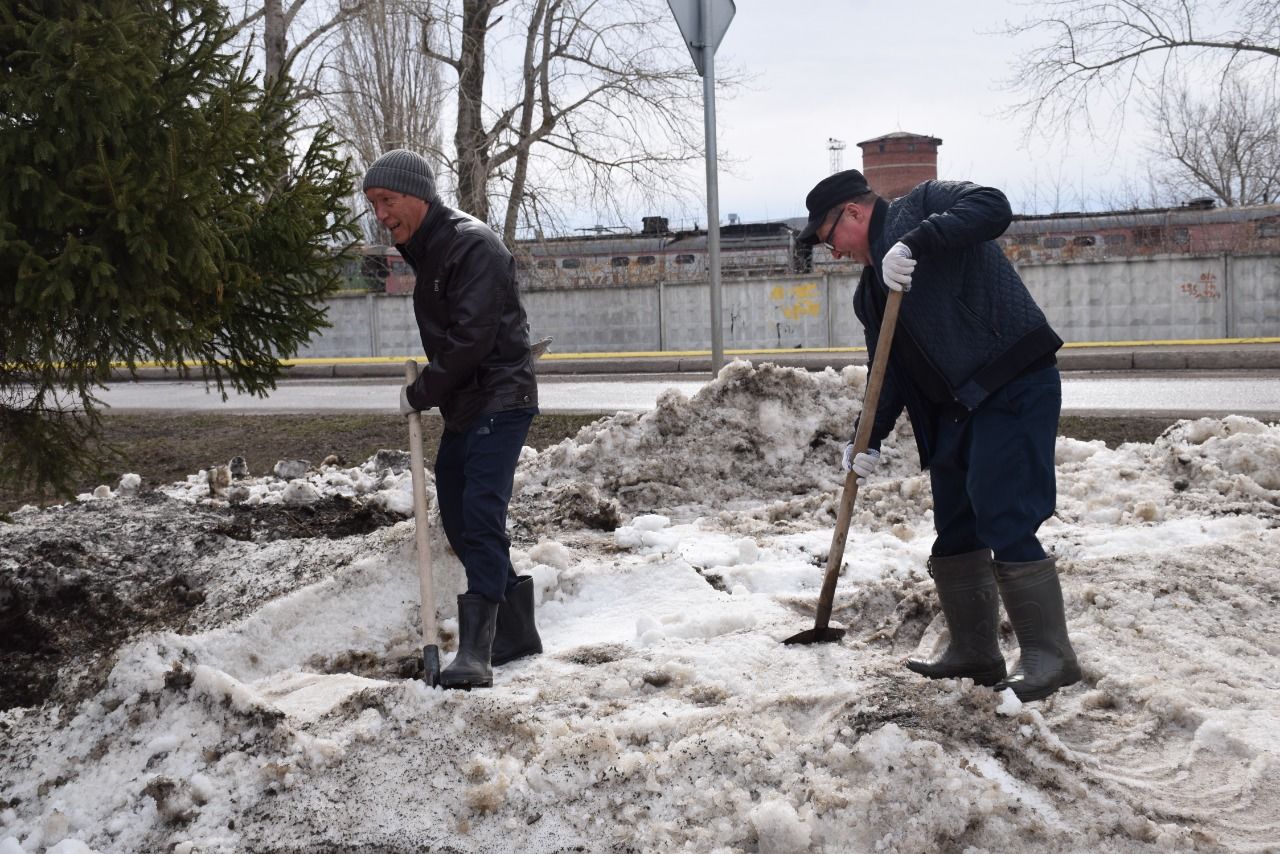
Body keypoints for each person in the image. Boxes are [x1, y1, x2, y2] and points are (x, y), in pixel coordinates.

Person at [797, 169, 1080, 702]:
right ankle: (975, 653)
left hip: (1011, 383)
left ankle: (1052, 658)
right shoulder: (870, 294)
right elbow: (889, 375)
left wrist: (916, 241)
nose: (830, 251)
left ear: (853, 214)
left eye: (829, 237)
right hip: (954, 411)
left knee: (1006, 515)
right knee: (955, 530)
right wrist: (867, 439)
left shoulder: (922, 206)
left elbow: (994, 204)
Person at [363, 149, 542, 690]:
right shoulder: (433, 249)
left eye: (388, 201)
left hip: (500, 398)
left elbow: (473, 338)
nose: (381, 214)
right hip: (469, 406)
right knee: (462, 519)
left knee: (481, 517)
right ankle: (516, 633)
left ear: (418, 194)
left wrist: (421, 392)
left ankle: (476, 654)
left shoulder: (470, 245)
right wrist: (436, 394)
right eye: (373, 204)